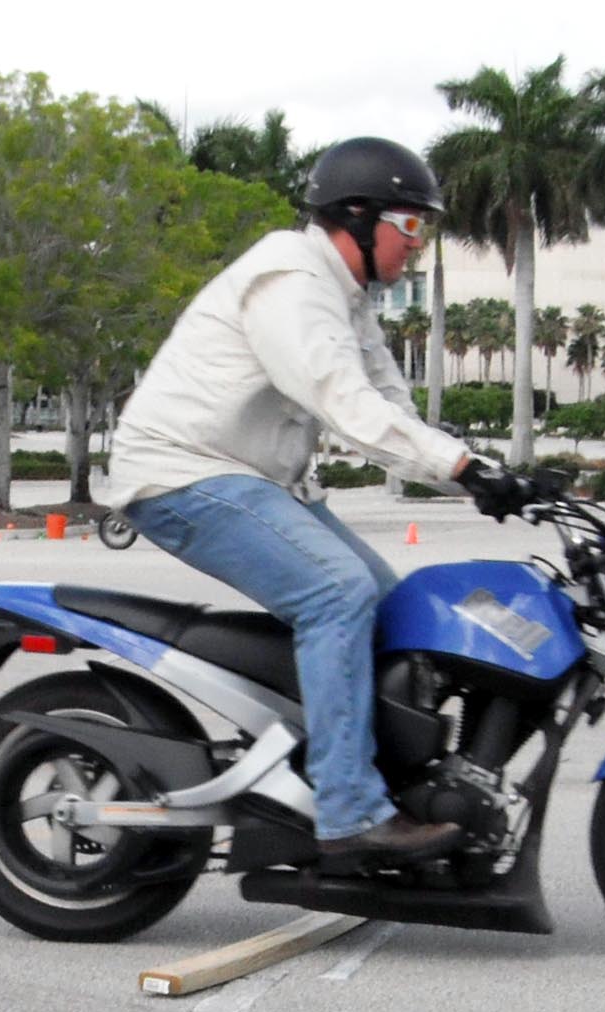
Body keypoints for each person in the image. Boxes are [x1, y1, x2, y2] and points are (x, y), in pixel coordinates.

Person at [107, 136, 529, 875]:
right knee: (336, 592)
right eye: (411, 224)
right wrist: (462, 469)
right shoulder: (291, 282)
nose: (418, 244)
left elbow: (392, 409)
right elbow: (346, 404)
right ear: (358, 216)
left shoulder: (347, 298)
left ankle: (371, 777)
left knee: (397, 606)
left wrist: (491, 475)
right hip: (182, 474)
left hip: (254, 481)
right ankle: (348, 811)